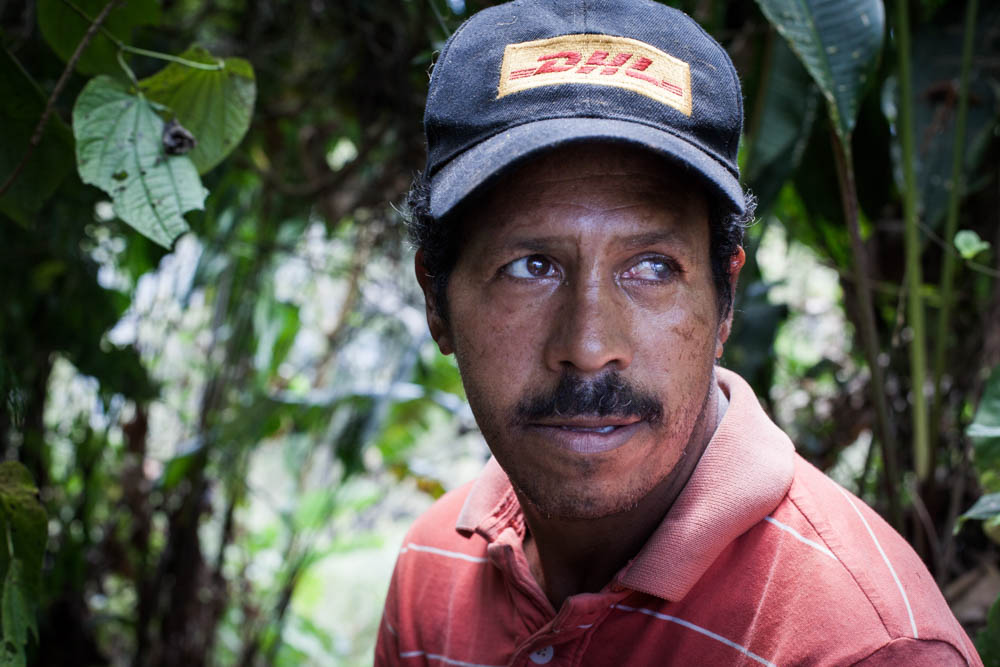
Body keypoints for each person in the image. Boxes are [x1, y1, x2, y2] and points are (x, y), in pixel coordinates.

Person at [375, 0, 982, 665]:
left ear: (725, 301)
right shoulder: (432, 571)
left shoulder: (866, 648)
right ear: (436, 298)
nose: (588, 347)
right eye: (531, 267)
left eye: (653, 267)